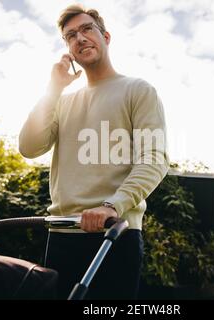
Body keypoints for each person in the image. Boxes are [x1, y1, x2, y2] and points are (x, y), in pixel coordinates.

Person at [19, 4, 169, 299]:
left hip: (115, 234)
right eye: (71, 35)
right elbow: (29, 147)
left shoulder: (138, 90)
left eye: (87, 29)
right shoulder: (62, 102)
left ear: (106, 36)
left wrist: (112, 206)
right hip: (61, 234)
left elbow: (154, 159)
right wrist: (53, 88)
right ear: (68, 50)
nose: (80, 38)